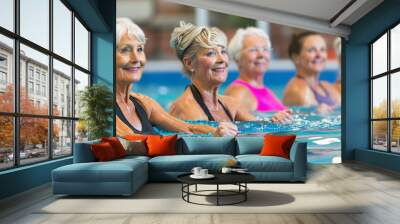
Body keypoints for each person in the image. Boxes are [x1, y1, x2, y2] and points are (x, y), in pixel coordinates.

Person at [115, 18, 237, 136]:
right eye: (125, 50)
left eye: (140, 49)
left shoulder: (144, 104)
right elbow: (130, 141)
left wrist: (215, 131)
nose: (136, 58)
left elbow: (189, 128)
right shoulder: (100, 107)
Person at [168, 22, 291, 123]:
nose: (222, 60)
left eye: (223, 52)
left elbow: (261, 129)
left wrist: (276, 121)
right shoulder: (185, 109)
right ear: (189, 63)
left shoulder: (231, 104)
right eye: (211, 53)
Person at [224, 27, 289, 114]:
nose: (261, 55)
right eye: (253, 50)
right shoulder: (239, 92)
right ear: (237, 58)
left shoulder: (266, 91)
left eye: (265, 49)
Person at [283, 32, 340, 113]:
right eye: (311, 50)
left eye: (322, 49)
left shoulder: (324, 86)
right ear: (296, 58)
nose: (319, 55)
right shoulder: (299, 90)